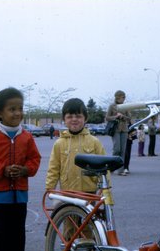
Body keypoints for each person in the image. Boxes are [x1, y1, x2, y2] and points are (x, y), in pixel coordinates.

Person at [0, 87, 41, 251]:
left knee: (18, 231)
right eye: (12, 109)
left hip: (20, 193)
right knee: (1, 231)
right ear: (0, 112)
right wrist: (2, 170)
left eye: (20, 108)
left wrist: (25, 170)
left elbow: (35, 159)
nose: (17, 113)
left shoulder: (27, 136)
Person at [45, 98, 112, 238]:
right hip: (68, 194)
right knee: (70, 229)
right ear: (64, 119)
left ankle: (89, 249)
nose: (74, 119)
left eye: (78, 116)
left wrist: (106, 190)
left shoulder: (94, 142)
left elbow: (105, 166)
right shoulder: (59, 143)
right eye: (70, 116)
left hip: (90, 193)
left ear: (85, 118)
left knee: (89, 227)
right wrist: (49, 188)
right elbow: (53, 168)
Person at [105, 90, 131, 175]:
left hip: (124, 130)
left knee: (123, 150)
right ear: (118, 97)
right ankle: (112, 166)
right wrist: (115, 117)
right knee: (117, 149)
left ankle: (121, 170)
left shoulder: (125, 106)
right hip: (115, 129)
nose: (124, 99)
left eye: (124, 97)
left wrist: (123, 116)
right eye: (123, 97)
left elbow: (129, 118)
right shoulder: (112, 106)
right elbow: (107, 117)